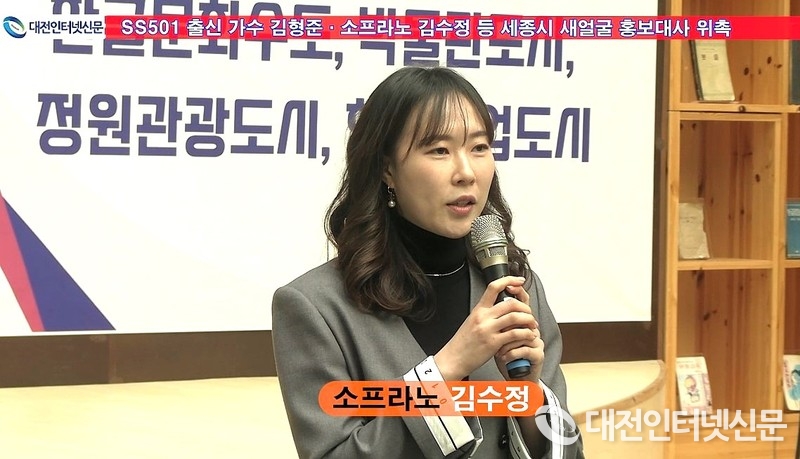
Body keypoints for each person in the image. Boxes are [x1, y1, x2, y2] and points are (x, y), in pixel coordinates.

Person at [272, 66, 584, 459]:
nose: (466, 173)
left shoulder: (516, 285)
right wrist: (446, 370)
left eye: (479, 147)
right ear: (387, 168)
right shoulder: (315, 306)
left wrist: (528, 395)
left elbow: (569, 450)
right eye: (439, 150)